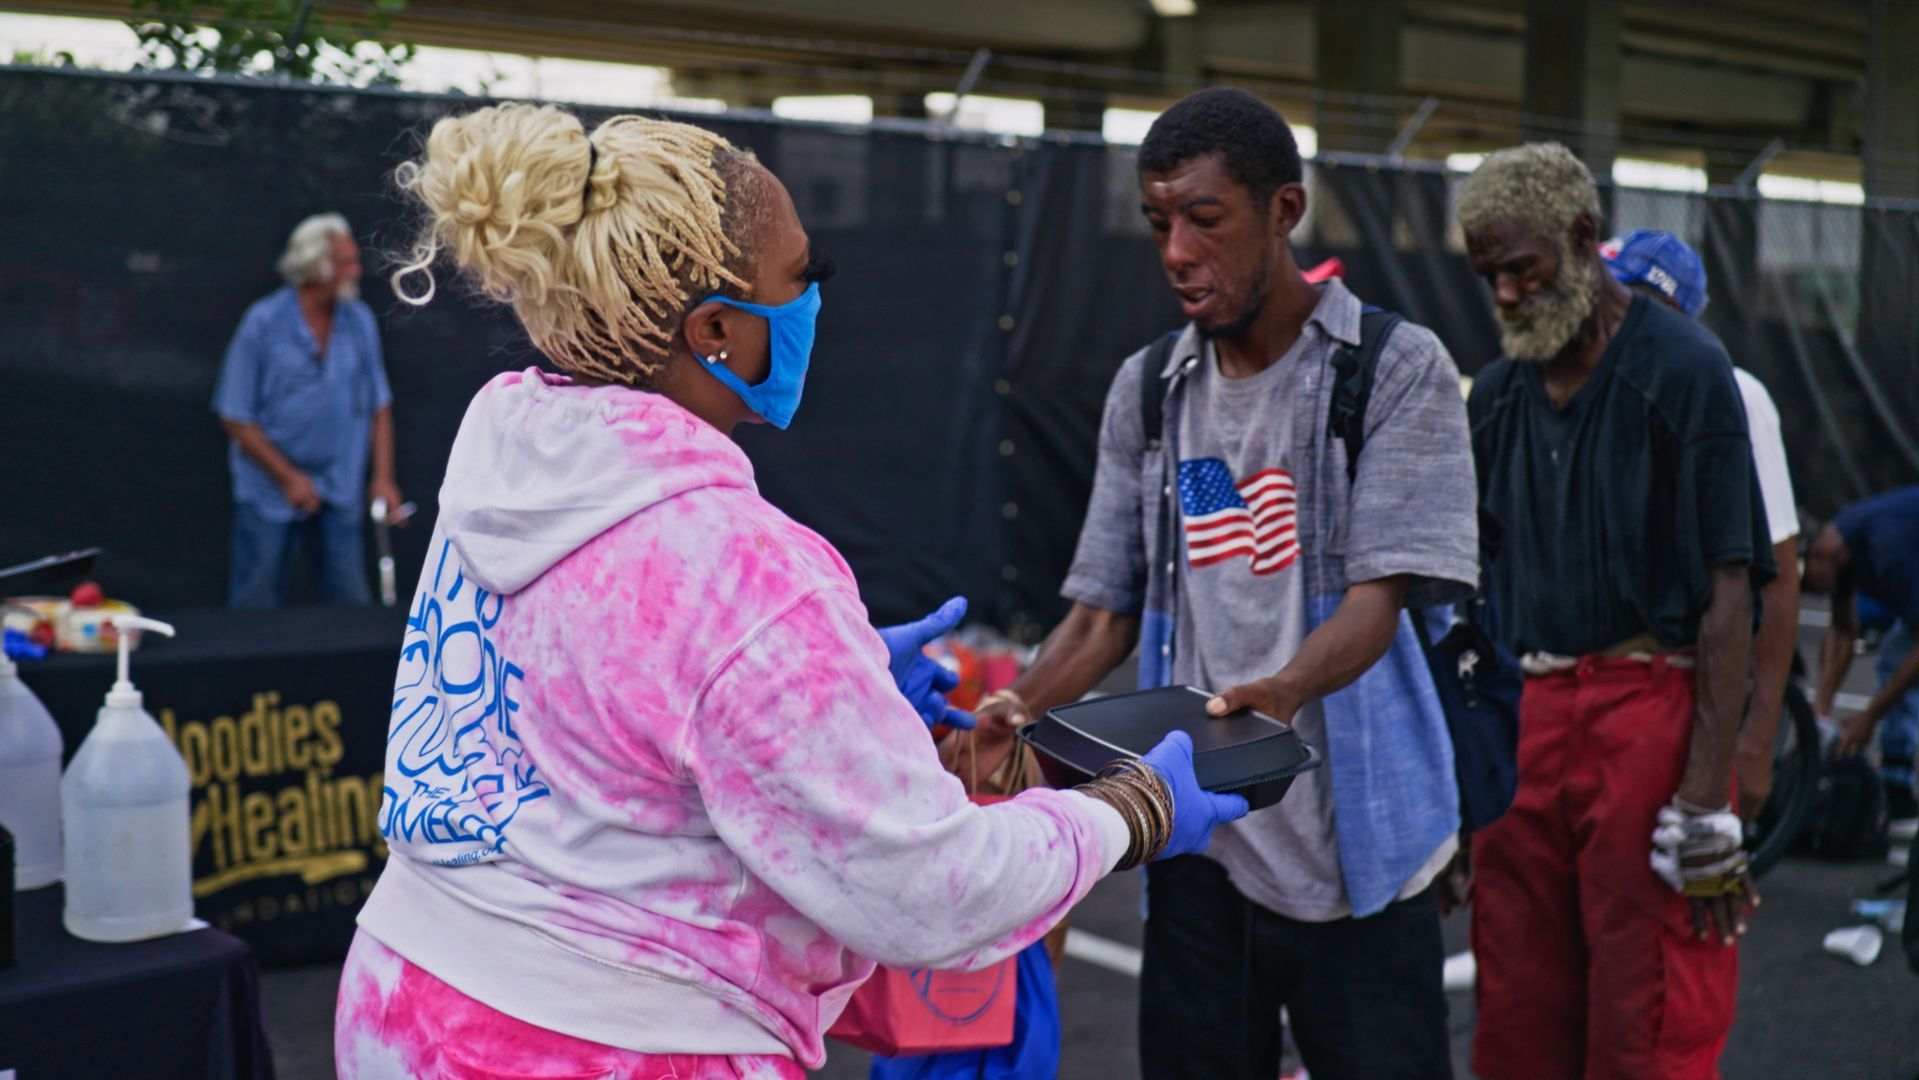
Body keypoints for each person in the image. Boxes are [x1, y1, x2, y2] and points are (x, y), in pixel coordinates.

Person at [332, 103, 1248, 1079]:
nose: (815, 300)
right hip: (605, 1043)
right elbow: (933, 890)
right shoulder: (742, 573)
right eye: (803, 279)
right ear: (717, 330)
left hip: (404, 1001)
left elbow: (592, 724)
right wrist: (1133, 811)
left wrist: (828, 685)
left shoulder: (510, 470)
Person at [971, 87, 1478, 1080]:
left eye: (1205, 219)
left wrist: (1281, 695)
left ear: (1284, 211)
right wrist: (1019, 706)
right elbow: (1103, 611)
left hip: (1360, 856)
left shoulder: (1395, 368)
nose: (1174, 251)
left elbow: (1379, 604)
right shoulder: (1150, 388)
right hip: (1200, 846)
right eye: (1160, 222)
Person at [1457, 143, 1774, 1079]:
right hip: (1526, 710)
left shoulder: (1685, 369)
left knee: (1650, 1008)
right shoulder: (1501, 393)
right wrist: (1459, 771)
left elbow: (1733, 591)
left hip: (1649, 705)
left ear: (1585, 239)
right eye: (1489, 276)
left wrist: (1708, 795)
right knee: (1517, 1002)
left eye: (1524, 268)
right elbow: (1465, 586)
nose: (1508, 295)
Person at [1600, 228, 1802, 821]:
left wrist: (1757, 739)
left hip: (1679, 697)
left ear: (1671, 311)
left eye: (1625, 298)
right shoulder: (1589, 393)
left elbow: (1778, 579)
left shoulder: (1735, 395)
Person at [212, 213, 406, 608]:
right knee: (255, 605)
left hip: (341, 487)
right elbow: (234, 414)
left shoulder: (360, 321)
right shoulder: (262, 323)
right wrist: (288, 478)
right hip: (268, 490)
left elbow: (379, 406)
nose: (356, 271)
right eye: (346, 263)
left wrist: (383, 478)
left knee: (351, 608)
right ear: (317, 268)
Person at [1803, 486, 1919, 828]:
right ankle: (1897, 793)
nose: (1811, 593)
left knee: (1898, 662)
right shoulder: (1841, 545)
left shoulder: (1887, 548)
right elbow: (1842, 629)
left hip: (1906, 560)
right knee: (1894, 659)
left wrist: (1869, 717)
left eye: (1808, 583)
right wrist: (1821, 711)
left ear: (1819, 556)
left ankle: (1900, 799)